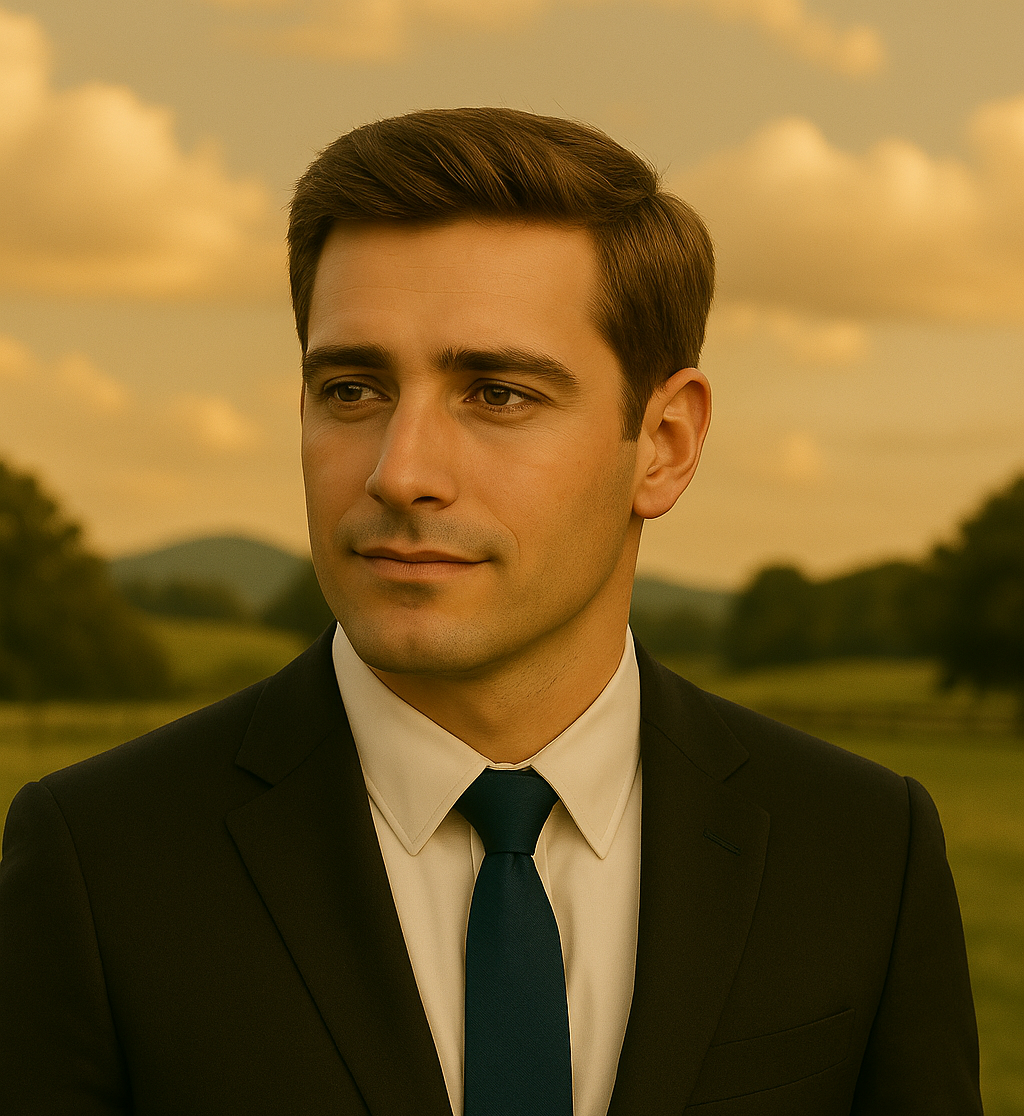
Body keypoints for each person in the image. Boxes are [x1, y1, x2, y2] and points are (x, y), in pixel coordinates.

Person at [0, 108, 982, 1116]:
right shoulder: (100, 862)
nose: (400, 472)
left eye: (498, 393)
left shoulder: (862, 851)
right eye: (350, 387)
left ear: (665, 442)